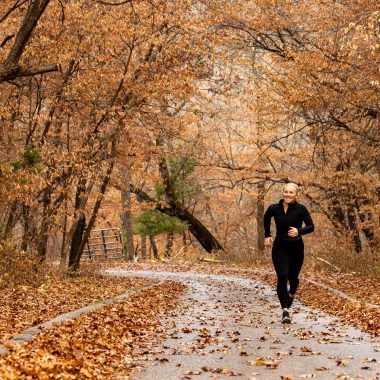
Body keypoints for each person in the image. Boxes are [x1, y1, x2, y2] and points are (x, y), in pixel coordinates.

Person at [263, 183, 314, 324]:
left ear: (296, 195)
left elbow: (311, 226)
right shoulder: (274, 208)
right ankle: (285, 311)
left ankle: (292, 292)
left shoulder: (301, 209)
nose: (288, 194)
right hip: (280, 247)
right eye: (286, 192)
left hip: (296, 248)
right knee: (282, 276)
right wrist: (267, 235)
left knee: (293, 278)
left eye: (291, 192)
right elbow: (266, 218)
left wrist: (299, 231)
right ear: (283, 193)